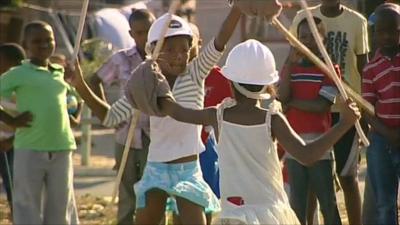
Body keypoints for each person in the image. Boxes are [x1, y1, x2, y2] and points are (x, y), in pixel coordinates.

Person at [71, 5, 243, 225]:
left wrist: (238, 8)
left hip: (188, 170)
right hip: (156, 169)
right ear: (152, 50)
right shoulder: (144, 82)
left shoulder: (195, 73)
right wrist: (81, 87)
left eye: (183, 49)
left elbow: (220, 40)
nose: (178, 56)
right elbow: (111, 117)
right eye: (169, 49)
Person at [157, 39, 360, 225]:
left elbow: (175, 111)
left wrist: (155, 80)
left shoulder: (216, 116)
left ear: (230, 82)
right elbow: (307, 155)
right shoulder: (273, 120)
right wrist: (343, 124)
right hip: (271, 215)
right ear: (267, 84)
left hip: (234, 214)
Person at [289, 1, 370, 224]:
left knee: (348, 177)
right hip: (310, 117)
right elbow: (292, 57)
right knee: (313, 183)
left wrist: (363, 114)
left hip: (344, 112)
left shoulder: (357, 22)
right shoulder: (302, 17)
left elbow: (364, 68)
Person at [0, 21, 79, 225]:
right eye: (37, 41)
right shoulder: (18, 73)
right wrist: (11, 120)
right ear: (25, 45)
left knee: (61, 206)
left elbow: (72, 100)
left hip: (62, 147)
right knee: (27, 205)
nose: (44, 45)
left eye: (48, 40)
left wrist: (74, 114)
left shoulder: (60, 73)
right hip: (29, 148)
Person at [89, 8, 155, 225]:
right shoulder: (120, 59)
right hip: (126, 135)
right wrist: (108, 115)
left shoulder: (164, 59)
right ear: (131, 33)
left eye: (149, 31)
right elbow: (94, 80)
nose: (145, 37)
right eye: (139, 32)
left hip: (155, 139)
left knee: (153, 194)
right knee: (127, 193)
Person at [279, 17, 342, 225]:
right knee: (298, 205)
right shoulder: (291, 68)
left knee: (328, 204)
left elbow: (321, 106)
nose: (307, 41)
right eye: (303, 37)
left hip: (320, 146)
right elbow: (282, 97)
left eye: (313, 36)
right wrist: (289, 62)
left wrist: (292, 103)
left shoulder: (329, 69)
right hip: (293, 146)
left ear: (323, 40)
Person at [362, 3, 400, 225]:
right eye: (381, 31)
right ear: (374, 35)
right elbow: (367, 109)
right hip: (381, 141)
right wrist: (388, 133)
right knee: (385, 204)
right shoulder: (371, 68)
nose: (386, 36)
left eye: (392, 30)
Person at [0, 43, 26, 215]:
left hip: (14, 144)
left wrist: (12, 140)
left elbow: (32, 119)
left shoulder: (23, 89)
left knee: (14, 186)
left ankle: (18, 218)